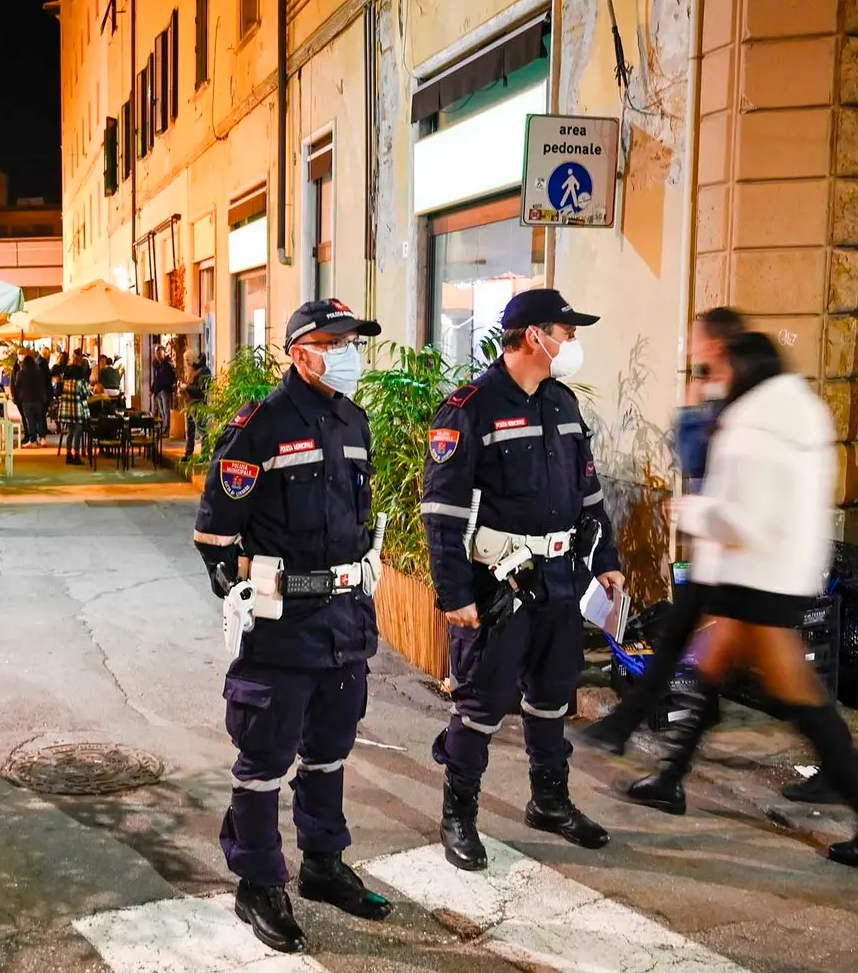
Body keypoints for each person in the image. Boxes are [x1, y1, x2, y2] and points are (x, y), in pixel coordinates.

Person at [626, 331, 858, 866]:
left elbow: (746, 520)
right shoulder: (799, 411)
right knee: (716, 668)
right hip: (776, 574)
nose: (715, 379)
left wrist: (688, 513)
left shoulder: (755, 425)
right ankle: (670, 778)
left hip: (760, 579)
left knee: (803, 703)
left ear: (742, 368)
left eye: (719, 368)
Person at [193, 298, 392, 954]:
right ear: (301, 350)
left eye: (354, 342)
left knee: (331, 750)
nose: (350, 354)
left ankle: (322, 864)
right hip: (281, 625)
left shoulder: (353, 419)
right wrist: (239, 591)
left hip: (344, 621)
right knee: (265, 758)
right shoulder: (260, 427)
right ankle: (257, 880)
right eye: (337, 342)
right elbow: (215, 533)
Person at [420, 287, 624, 870]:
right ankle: (458, 814)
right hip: (500, 588)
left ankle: (550, 802)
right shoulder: (470, 407)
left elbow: (588, 492)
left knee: (552, 699)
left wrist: (605, 558)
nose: (573, 342)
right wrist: (456, 594)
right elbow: (442, 511)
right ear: (535, 336)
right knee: (480, 706)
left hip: (560, 582)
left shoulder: (561, 403)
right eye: (567, 332)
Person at [579, 306, 747, 757]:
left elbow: (707, 466)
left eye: (697, 339)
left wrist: (694, 512)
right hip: (720, 553)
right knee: (684, 647)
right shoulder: (723, 393)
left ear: (714, 344)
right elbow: (695, 459)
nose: (691, 346)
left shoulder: (742, 400)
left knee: (784, 682)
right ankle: (657, 760)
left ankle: (849, 778)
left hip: (742, 557)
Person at [57, 361, 90, 464]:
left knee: (70, 432)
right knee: (78, 432)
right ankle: (76, 455)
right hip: (77, 410)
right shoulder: (80, 383)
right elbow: (85, 394)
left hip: (67, 411)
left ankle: (68, 454)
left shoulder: (66, 383)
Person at [182, 353, 212, 461]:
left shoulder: (203, 371)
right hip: (190, 404)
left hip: (198, 404)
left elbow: (200, 391)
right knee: (190, 431)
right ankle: (188, 454)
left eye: (188, 360)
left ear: (194, 359)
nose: (187, 362)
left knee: (202, 429)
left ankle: (205, 455)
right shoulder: (193, 371)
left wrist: (186, 387)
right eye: (185, 360)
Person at [151, 347, 177, 436]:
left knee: (166, 410)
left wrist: (172, 385)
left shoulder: (167, 365)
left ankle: (166, 428)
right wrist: (152, 390)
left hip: (165, 390)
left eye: (159, 354)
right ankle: (164, 427)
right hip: (158, 390)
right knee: (162, 410)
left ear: (163, 354)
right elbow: (156, 379)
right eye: (156, 354)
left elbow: (173, 376)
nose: (158, 356)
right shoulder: (157, 365)